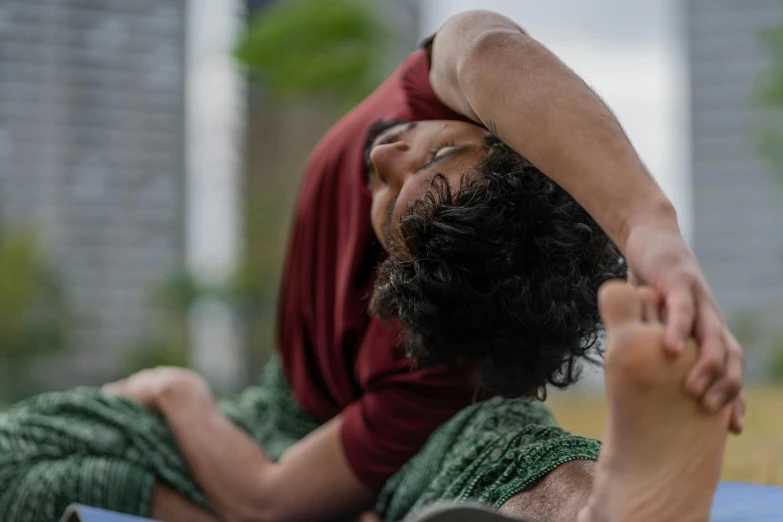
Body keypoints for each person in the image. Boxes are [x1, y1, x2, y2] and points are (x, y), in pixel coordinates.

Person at [0, 9, 742, 522]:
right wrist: (650, 228)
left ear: (401, 276)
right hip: (278, 429)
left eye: (394, 208)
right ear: (504, 135)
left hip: (344, 459)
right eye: (442, 154)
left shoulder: (433, 361)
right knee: (22, 458)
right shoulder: (441, 92)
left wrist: (177, 388)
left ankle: (597, 502)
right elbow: (487, 46)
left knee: (492, 444)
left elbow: (270, 499)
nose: (387, 155)